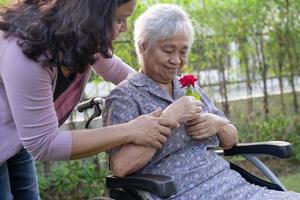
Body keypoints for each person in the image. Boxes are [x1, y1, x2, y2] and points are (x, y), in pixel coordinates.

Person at [103, 4, 300, 200]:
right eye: (168, 50)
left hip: (229, 183)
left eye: (183, 51)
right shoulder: (125, 98)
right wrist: (168, 119)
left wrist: (218, 123)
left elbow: (231, 141)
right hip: (182, 192)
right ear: (143, 46)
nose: (177, 60)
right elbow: (121, 166)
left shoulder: (187, 86)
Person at [0, 1, 179, 199]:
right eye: (120, 19)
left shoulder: (80, 38)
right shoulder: (26, 53)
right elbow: (45, 143)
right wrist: (130, 130)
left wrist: (172, 95)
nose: (125, 28)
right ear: (92, 17)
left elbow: (117, 71)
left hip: (17, 138)